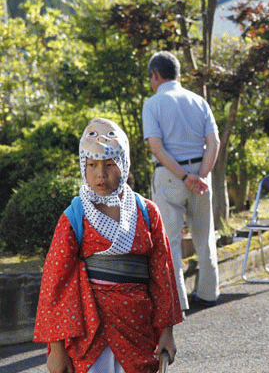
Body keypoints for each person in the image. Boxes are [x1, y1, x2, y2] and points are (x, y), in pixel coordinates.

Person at [33, 118, 183, 373]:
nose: (100, 174)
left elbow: (163, 275)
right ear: (83, 166)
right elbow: (55, 283)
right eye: (92, 165)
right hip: (91, 333)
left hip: (139, 329)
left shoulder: (147, 212)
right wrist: (57, 348)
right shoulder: (74, 216)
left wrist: (167, 332)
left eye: (110, 164)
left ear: (123, 164)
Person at [142, 51, 221, 310]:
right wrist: (202, 176)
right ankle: (209, 294)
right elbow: (214, 142)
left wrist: (184, 177)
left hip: (170, 176)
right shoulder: (199, 101)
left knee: (170, 241)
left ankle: (178, 300)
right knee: (204, 236)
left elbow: (156, 147)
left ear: (155, 75)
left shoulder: (152, 104)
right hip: (200, 172)